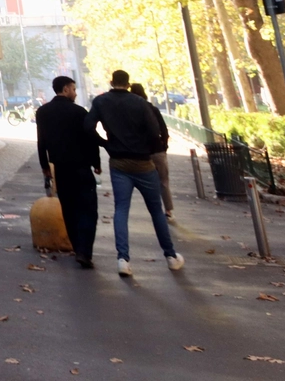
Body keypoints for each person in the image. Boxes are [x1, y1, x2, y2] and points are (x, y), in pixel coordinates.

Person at [86, 70, 184, 277]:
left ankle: (123, 259)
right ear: (128, 84)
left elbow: (87, 126)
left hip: (119, 162)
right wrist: (148, 150)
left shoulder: (101, 102)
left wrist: (105, 144)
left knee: (121, 209)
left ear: (111, 82)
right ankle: (171, 256)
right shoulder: (140, 103)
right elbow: (153, 132)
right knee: (156, 210)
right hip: (143, 163)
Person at [36, 75, 100, 268]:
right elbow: (90, 139)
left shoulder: (43, 112)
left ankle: (77, 248)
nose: (75, 92)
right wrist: (96, 162)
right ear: (65, 89)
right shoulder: (79, 112)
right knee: (88, 210)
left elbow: (42, 142)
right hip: (81, 168)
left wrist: (45, 166)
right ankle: (85, 251)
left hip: (60, 170)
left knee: (69, 210)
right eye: (73, 89)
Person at [130, 83, 174, 220]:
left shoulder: (132, 111)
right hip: (157, 150)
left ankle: (155, 208)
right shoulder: (153, 109)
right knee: (163, 181)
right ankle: (168, 210)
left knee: (147, 182)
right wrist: (164, 146)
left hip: (142, 153)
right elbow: (163, 129)